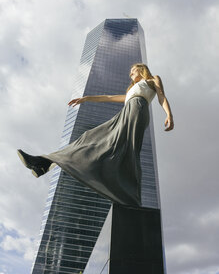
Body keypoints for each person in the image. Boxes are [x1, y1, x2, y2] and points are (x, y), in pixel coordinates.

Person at [17, 63, 174, 207]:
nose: (130, 74)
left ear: (141, 69)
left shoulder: (153, 79)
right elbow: (109, 97)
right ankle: (44, 163)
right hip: (125, 113)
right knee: (90, 137)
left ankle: (131, 198)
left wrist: (169, 115)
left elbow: (161, 97)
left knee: (129, 152)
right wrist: (87, 98)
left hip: (138, 111)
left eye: (132, 70)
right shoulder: (131, 90)